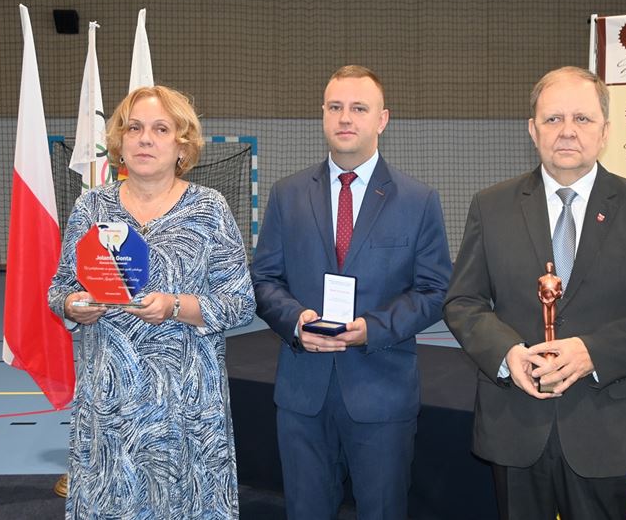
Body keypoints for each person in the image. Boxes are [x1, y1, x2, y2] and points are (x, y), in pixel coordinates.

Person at [443, 66, 626, 520]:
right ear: (532, 129)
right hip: (514, 427)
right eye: (553, 118)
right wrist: (506, 354)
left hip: (603, 431)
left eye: (582, 118)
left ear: (605, 131)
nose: (567, 131)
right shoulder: (491, 205)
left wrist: (592, 352)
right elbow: (464, 301)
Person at [250, 65, 451, 519]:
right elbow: (264, 280)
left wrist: (371, 329)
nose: (345, 118)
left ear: (382, 119)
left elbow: (435, 289)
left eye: (359, 108)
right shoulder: (287, 194)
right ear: (322, 114)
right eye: (335, 107)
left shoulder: (418, 200)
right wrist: (295, 321)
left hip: (382, 394)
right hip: (303, 395)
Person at [48, 85, 255, 519]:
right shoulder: (91, 207)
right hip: (111, 406)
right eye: (134, 128)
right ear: (120, 142)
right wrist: (75, 305)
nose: (145, 139)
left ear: (182, 145)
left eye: (161, 129)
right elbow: (59, 289)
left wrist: (175, 306)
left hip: (187, 408)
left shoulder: (209, 209)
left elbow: (240, 301)